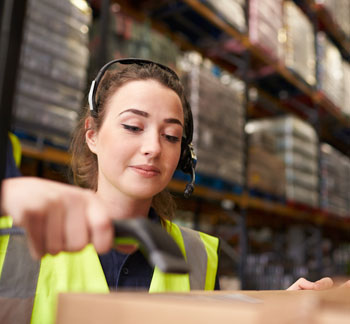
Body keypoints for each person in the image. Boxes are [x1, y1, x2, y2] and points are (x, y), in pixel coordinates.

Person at [0, 59, 347, 324]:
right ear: (92, 134)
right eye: (133, 126)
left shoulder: (199, 255)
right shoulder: (15, 236)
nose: (153, 147)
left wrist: (278, 310)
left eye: (171, 136)